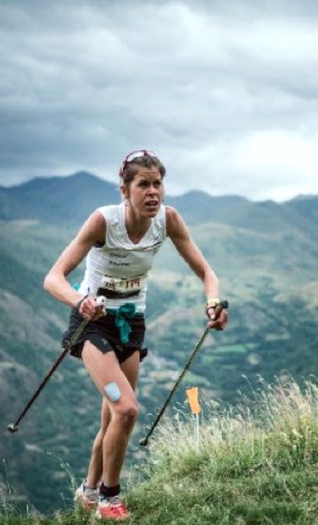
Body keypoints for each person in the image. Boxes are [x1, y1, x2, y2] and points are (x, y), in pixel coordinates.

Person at [43, 149, 229, 520]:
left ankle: (89, 491)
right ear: (124, 190)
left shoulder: (168, 220)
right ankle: (111, 499)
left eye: (158, 184)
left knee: (113, 419)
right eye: (143, 185)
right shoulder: (102, 222)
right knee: (126, 410)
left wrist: (213, 304)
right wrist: (81, 301)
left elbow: (208, 273)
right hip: (92, 326)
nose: (153, 193)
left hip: (132, 325)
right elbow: (53, 278)